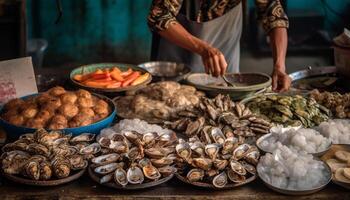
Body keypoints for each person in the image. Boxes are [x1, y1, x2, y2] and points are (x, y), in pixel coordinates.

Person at [148, 0, 291, 92]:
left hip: (226, 57)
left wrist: (280, 66)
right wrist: (204, 49)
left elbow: (274, 14)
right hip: (175, 63)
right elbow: (158, 16)